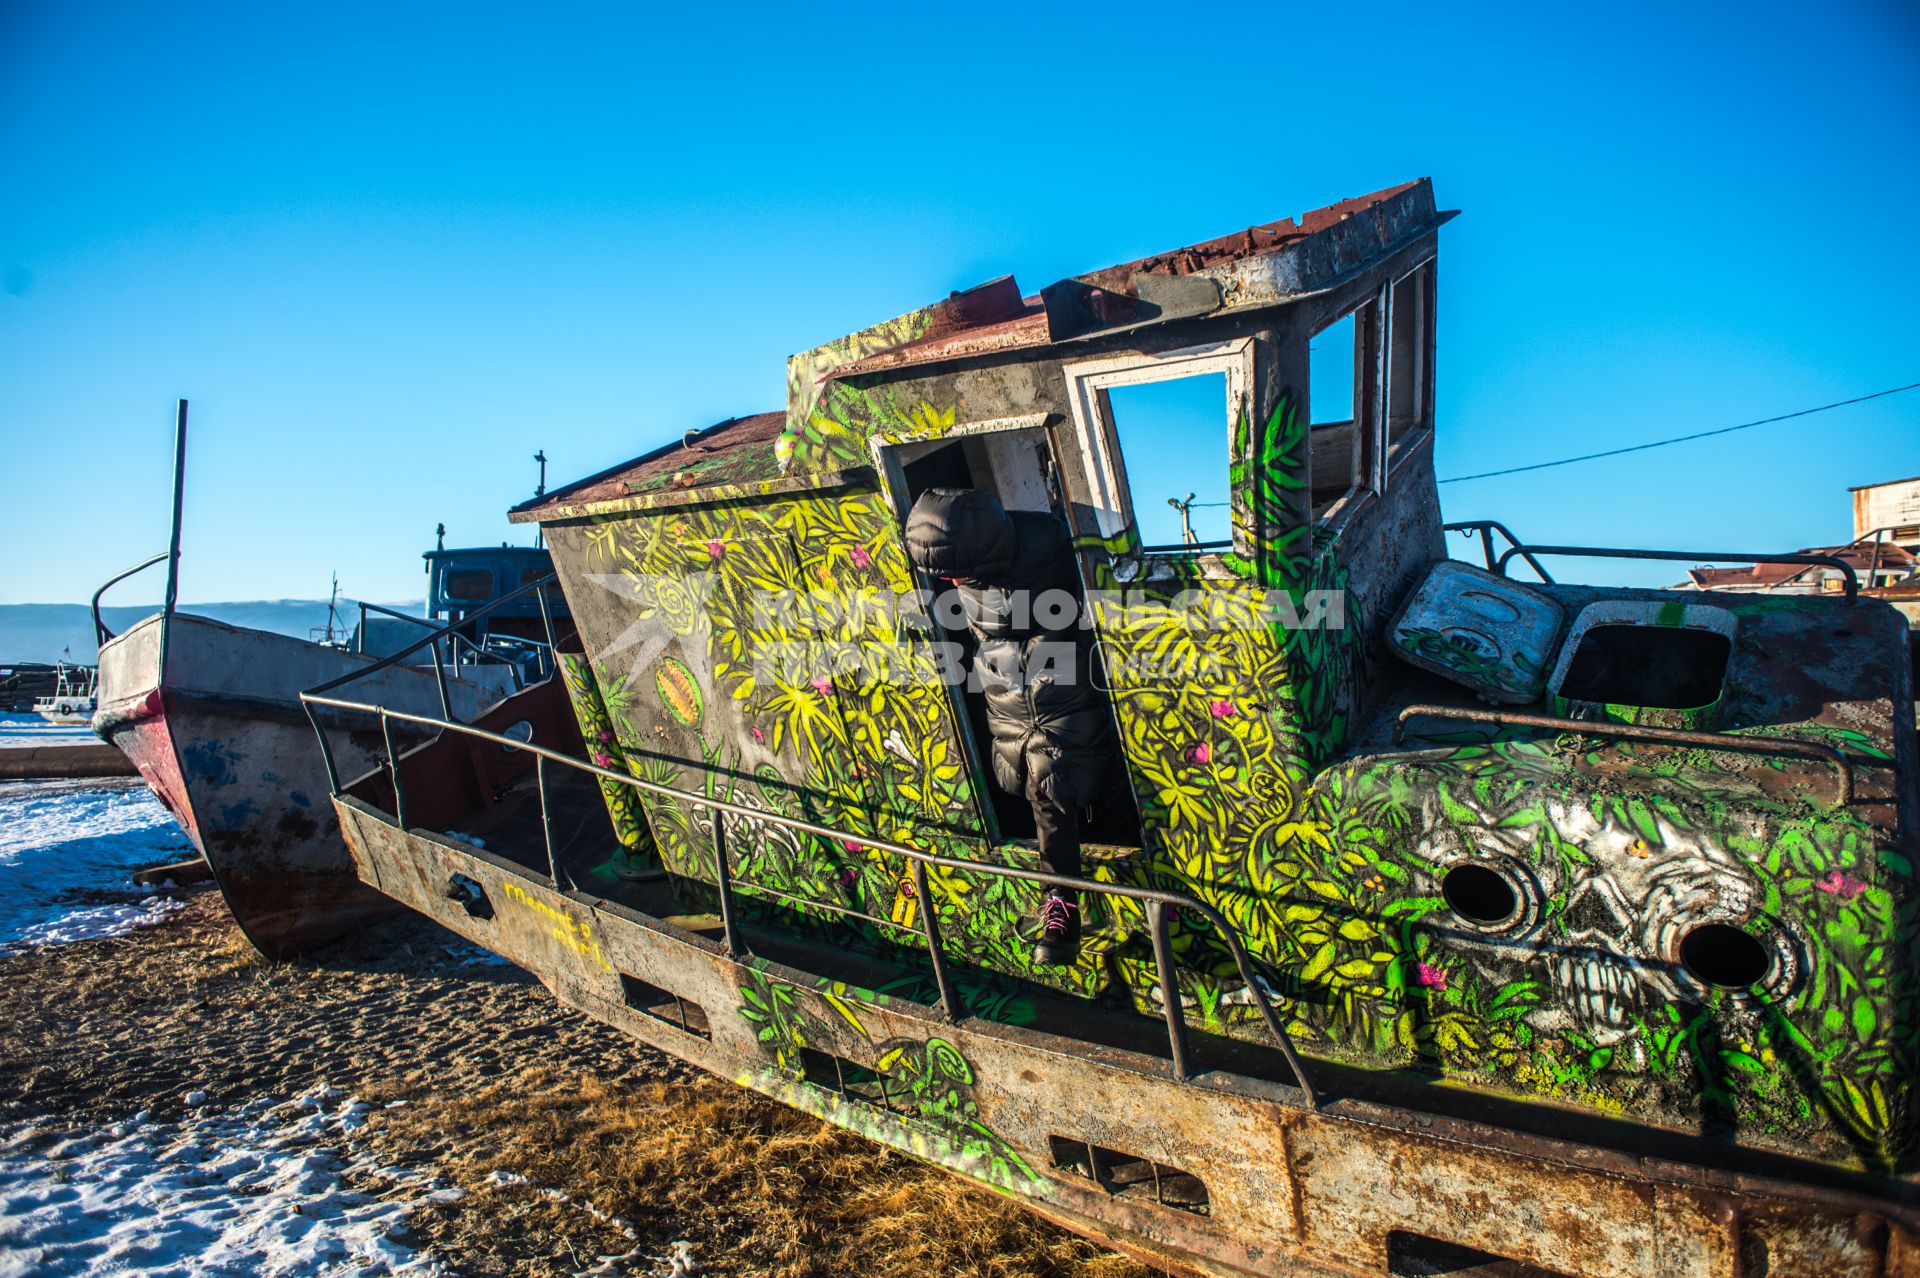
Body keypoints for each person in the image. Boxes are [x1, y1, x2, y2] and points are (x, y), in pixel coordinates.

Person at [904, 487, 1117, 965]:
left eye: (954, 571)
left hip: (1061, 692)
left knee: (1052, 785)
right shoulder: (983, 559)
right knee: (1025, 786)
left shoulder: (1049, 545)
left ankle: (1062, 911)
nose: (951, 581)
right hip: (1009, 693)